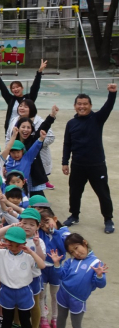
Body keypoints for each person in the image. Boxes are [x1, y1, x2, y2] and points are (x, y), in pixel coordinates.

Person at [61, 84, 116, 233]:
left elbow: (108, 107)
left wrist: (112, 93)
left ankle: (108, 219)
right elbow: (67, 144)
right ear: (74, 106)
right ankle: (74, 215)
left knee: (103, 192)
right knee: (75, 191)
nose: (82, 107)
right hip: (78, 165)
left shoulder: (97, 119)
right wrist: (65, 162)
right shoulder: (71, 123)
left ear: (90, 106)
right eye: (79, 104)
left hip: (96, 165)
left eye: (85, 104)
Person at [49, 233, 108, 328]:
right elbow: (61, 276)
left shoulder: (96, 263)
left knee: (76, 324)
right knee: (60, 318)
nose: (76, 253)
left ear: (84, 243)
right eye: (72, 251)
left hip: (78, 299)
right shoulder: (70, 262)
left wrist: (99, 275)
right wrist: (57, 264)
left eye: (77, 248)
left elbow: (101, 284)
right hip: (63, 294)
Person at [0, 60, 47, 134]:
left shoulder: (29, 98)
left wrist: (39, 72)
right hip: (12, 128)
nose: (15, 89)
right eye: (13, 88)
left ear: (22, 88)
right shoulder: (10, 99)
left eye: (17, 87)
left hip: (26, 129)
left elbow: (35, 87)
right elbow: (2, 87)